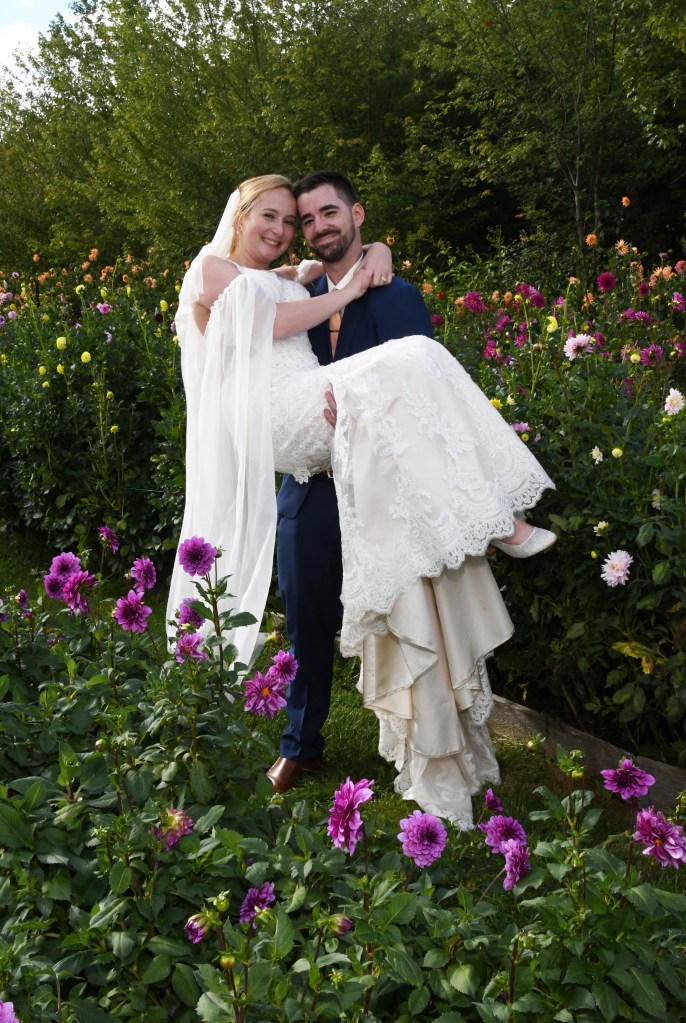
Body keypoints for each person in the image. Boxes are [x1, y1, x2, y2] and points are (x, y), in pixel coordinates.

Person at [167, 172, 556, 825]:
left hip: (377, 475)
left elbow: (405, 382)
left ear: (355, 215)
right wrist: (345, 289)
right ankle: (300, 744)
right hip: (300, 456)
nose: (289, 229)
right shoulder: (220, 272)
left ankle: (493, 518)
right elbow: (270, 318)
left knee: (419, 359)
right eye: (278, 216)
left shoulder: (357, 286)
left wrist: (376, 255)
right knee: (306, 616)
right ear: (239, 215)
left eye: (300, 218)